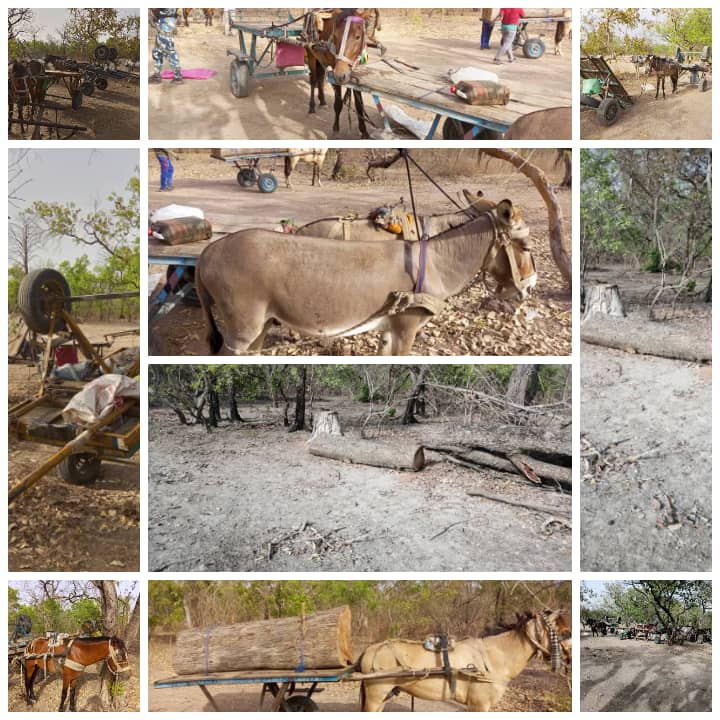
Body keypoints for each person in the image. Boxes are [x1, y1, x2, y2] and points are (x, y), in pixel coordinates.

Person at [149, 9, 183, 84]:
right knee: (157, 50)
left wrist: (150, 14)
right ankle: (157, 75)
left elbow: (155, 8)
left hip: (165, 22)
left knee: (168, 50)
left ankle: (178, 77)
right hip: (166, 21)